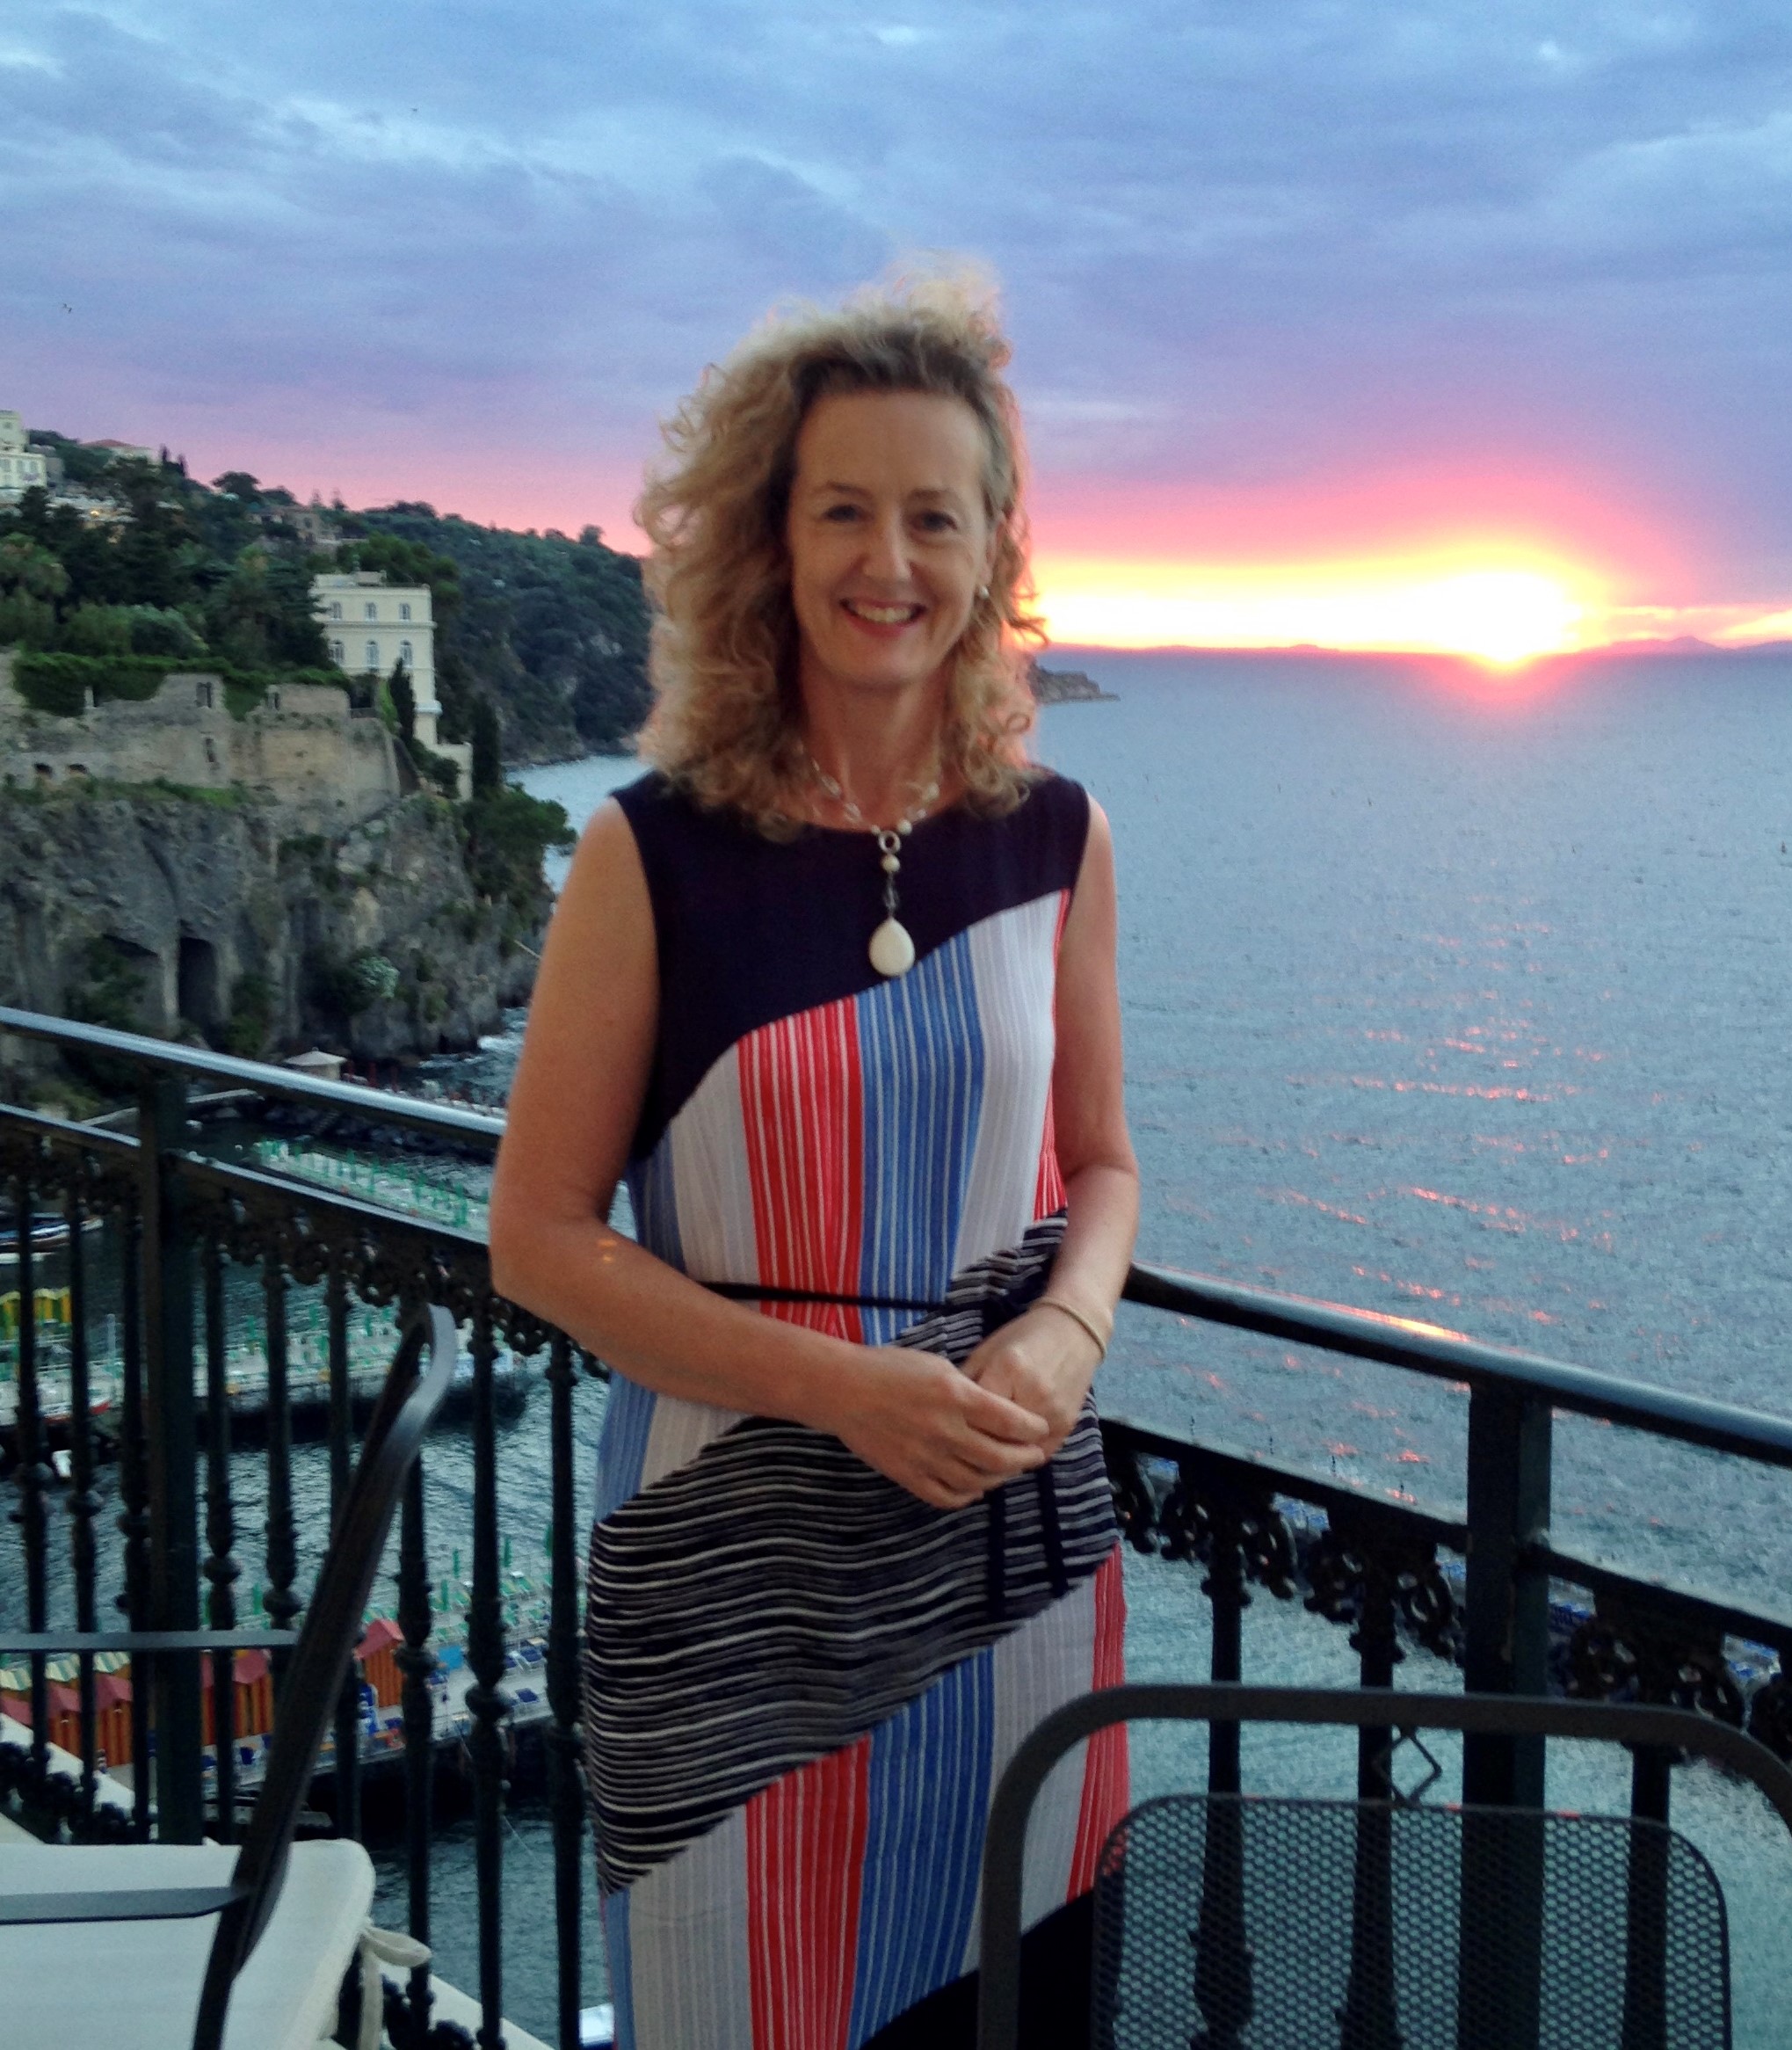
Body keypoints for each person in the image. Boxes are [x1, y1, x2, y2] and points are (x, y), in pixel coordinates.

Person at [490, 273, 1139, 2050]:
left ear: (994, 546)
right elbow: (540, 1239)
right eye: (842, 505)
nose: (890, 556)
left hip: (1010, 1559)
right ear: (769, 539)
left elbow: (1106, 1167)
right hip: (734, 1590)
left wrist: (1070, 1332)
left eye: (936, 512)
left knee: (1024, 1999)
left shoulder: (1060, 837)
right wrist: (849, 1389)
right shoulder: (650, 855)